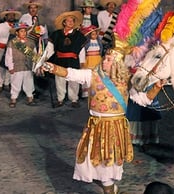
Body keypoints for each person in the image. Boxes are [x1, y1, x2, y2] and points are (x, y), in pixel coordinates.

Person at [41, 38, 163, 194]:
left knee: (108, 163)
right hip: (96, 126)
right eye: (105, 58)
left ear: (117, 63)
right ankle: (108, 185)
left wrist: (157, 88)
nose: (104, 61)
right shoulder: (92, 75)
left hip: (114, 128)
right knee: (92, 161)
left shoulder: (127, 82)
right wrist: (50, 67)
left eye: (109, 59)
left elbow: (143, 99)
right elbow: (69, 73)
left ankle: (109, 189)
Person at [45, 11, 87, 108]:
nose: (71, 22)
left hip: (73, 60)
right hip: (59, 60)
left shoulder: (79, 36)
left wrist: (82, 62)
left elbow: (81, 51)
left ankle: (74, 99)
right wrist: (46, 59)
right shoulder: (56, 34)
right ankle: (60, 99)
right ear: (64, 22)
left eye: (72, 21)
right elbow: (50, 48)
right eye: (68, 21)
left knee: (74, 80)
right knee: (60, 80)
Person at [5, 23, 37, 108]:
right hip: (17, 66)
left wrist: (35, 66)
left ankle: (30, 98)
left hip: (28, 66)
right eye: (21, 31)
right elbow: (9, 55)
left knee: (29, 82)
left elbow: (34, 55)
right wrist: (10, 67)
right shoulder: (12, 42)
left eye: (25, 31)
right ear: (17, 33)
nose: (24, 33)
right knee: (16, 82)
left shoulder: (31, 42)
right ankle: (13, 98)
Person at [0, 9, 21, 94]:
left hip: (12, 49)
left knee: (9, 66)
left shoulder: (17, 26)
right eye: (9, 15)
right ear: (6, 16)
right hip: (1, 48)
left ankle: (7, 83)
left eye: (13, 15)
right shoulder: (1, 26)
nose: (11, 17)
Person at [79, 25, 103, 98]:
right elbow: (83, 52)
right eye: (92, 34)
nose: (94, 35)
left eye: (96, 34)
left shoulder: (99, 42)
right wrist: (82, 61)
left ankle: (97, 90)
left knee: (97, 75)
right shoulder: (86, 43)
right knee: (88, 75)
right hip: (89, 60)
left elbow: (101, 51)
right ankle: (86, 92)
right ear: (89, 35)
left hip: (97, 60)